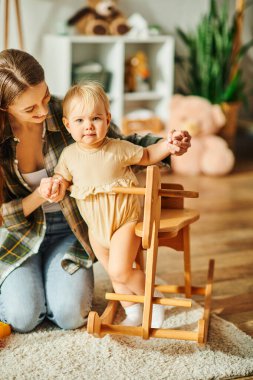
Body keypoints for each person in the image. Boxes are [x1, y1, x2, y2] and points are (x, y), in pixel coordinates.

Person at [0, 49, 191, 333]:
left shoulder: (72, 112)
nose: (44, 110)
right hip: (23, 232)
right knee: (22, 317)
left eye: (45, 96)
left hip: (75, 227)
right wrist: (42, 193)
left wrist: (168, 144)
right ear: (5, 109)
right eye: (30, 109)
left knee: (70, 315)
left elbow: (122, 146)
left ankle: (142, 297)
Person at [39, 82, 190, 328]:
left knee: (121, 270)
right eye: (79, 121)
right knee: (115, 274)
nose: (88, 125)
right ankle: (133, 312)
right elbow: (62, 179)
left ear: (108, 120)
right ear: (67, 125)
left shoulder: (117, 149)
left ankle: (155, 298)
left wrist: (168, 144)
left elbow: (149, 155)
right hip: (96, 230)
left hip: (124, 222)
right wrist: (55, 185)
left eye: (96, 118)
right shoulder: (68, 156)